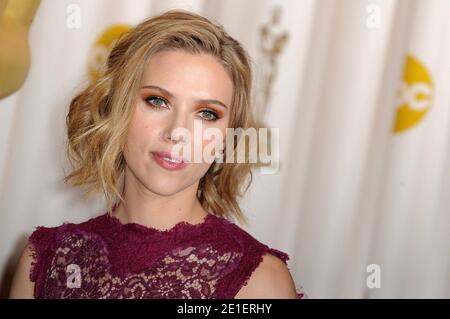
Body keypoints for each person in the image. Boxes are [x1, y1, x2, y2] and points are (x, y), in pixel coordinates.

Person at [9, 9, 306, 299]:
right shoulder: (45, 261)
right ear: (116, 107)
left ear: (228, 135)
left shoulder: (259, 282)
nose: (178, 132)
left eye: (206, 113)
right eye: (158, 101)